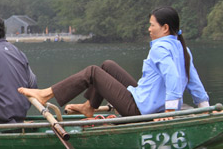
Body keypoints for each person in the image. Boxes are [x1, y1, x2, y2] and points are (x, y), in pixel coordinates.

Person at [18, 6, 209, 118]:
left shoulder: (159, 48)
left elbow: (173, 78)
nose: (149, 29)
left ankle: (46, 94)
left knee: (92, 72)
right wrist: (206, 109)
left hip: (140, 109)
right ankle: (88, 107)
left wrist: (168, 114)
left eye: (152, 25)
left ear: (165, 28)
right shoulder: (183, 49)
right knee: (107, 65)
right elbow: (195, 84)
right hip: (145, 99)